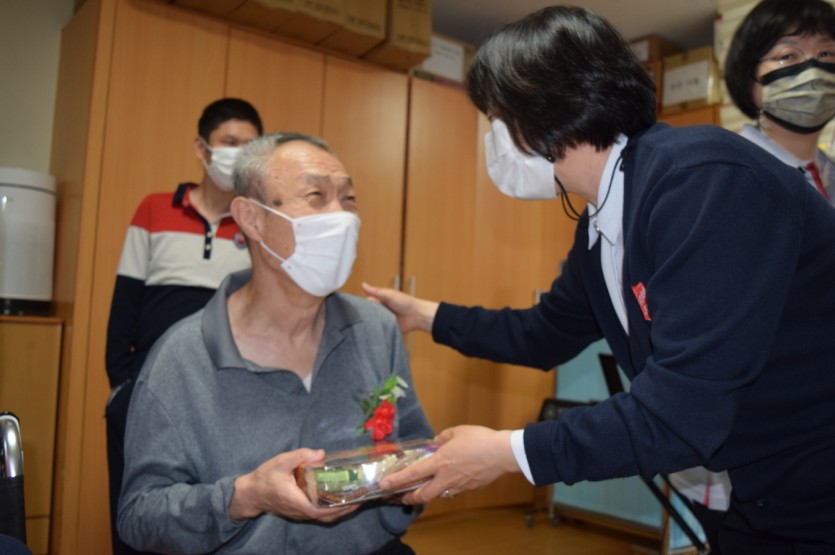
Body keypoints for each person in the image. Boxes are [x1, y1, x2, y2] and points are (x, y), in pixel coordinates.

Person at [362, 5, 835, 552]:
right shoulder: (604, 219)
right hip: (762, 490)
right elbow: (543, 334)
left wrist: (508, 452)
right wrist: (423, 316)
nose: (494, 141)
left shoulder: (702, 181)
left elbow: (680, 416)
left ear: (544, 109)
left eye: (495, 119)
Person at [117, 132, 433, 554]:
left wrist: (402, 484)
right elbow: (140, 515)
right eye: (316, 196)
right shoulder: (183, 357)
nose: (341, 217)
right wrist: (243, 498)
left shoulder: (376, 329)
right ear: (252, 219)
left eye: (349, 199)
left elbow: (415, 448)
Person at [104, 98, 262, 555]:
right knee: (138, 520)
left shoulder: (258, 224)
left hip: (221, 398)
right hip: (145, 391)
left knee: (206, 519)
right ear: (201, 147)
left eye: (250, 146)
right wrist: (122, 385)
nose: (239, 153)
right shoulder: (154, 210)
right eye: (230, 142)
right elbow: (124, 304)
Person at [725, 0, 835, 207]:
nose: (813, 73)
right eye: (787, 55)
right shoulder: (726, 172)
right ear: (748, 75)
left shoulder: (829, 171)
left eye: (826, 53)